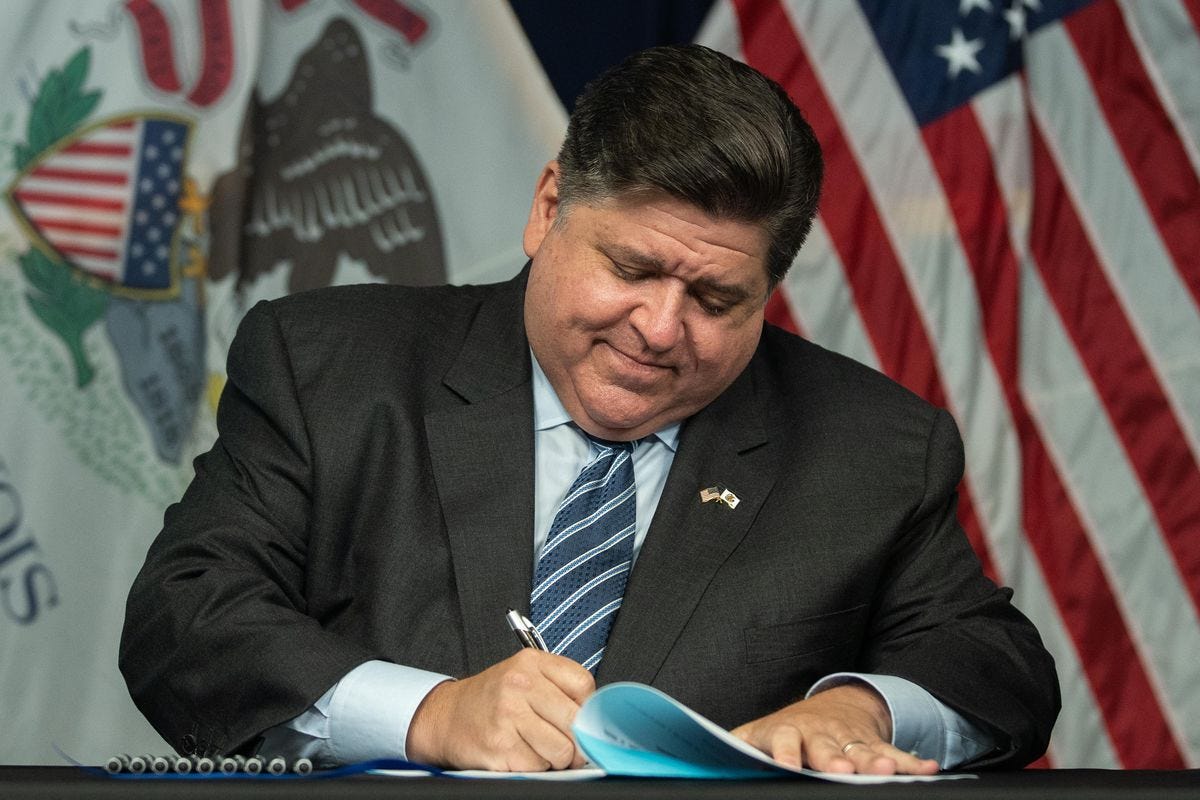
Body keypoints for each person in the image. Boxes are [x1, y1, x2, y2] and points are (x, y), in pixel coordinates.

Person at [120, 44, 1059, 775]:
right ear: (548, 206)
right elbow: (184, 617)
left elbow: (999, 667)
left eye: (716, 300)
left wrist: (863, 709)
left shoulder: (877, 445)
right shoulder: (328, 369)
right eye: (632, 269)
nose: (660, 328)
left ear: (771, 290)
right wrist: (430, 715)